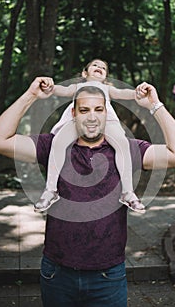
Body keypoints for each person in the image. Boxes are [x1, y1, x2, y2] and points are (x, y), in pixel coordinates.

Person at [0, 77, 175, 307]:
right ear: (73, 113)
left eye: (98, 109)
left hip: (108, 278)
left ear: (108, 113)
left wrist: (155, 105)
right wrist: (31, 95)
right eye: (84, 110)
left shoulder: (126, 151)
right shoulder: (53, 147)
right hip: (57, 274)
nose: (92, 117)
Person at [34, 59, 146, 214]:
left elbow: (123, 93)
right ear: (84, 73)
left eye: (103, 68)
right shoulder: (78, 87)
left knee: (122, 143)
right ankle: (51, 189)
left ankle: (128, 192)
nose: (99, 68)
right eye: (95, 65)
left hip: (106, 120)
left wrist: (136, 93)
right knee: (58, 142)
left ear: (106, 76)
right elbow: (63, 90)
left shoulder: (106, 88)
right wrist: (50, 87)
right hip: (78, 119)